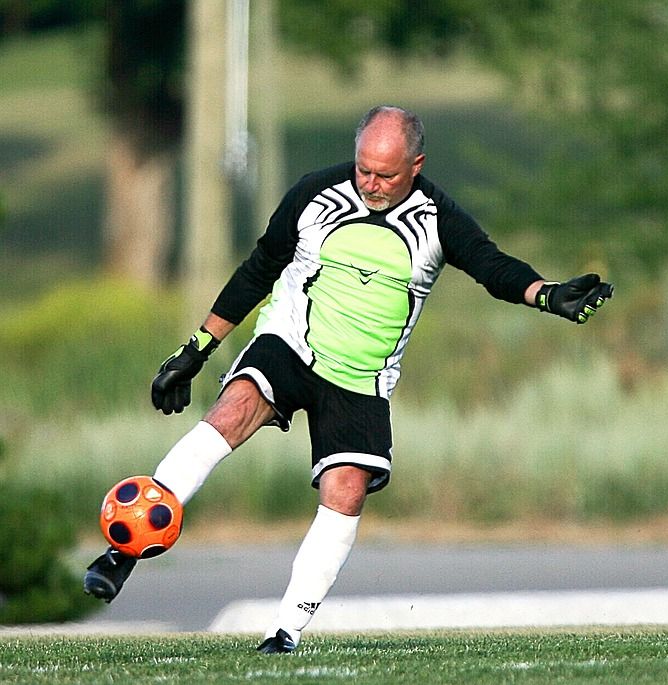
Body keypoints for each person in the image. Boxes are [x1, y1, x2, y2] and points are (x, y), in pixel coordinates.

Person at [83, 105, 613, 653]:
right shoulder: (316, 192)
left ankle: (284, 632)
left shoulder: (438, 218)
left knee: (346, 491)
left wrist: (546, 294)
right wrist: (197, 348)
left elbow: (491, 267)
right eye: (364, 169)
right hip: (290, 342)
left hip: (362, 377)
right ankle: (123, 552)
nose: (371, 183)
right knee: (232, 410)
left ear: (416, 166)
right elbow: (260, 268)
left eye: (386, 174)